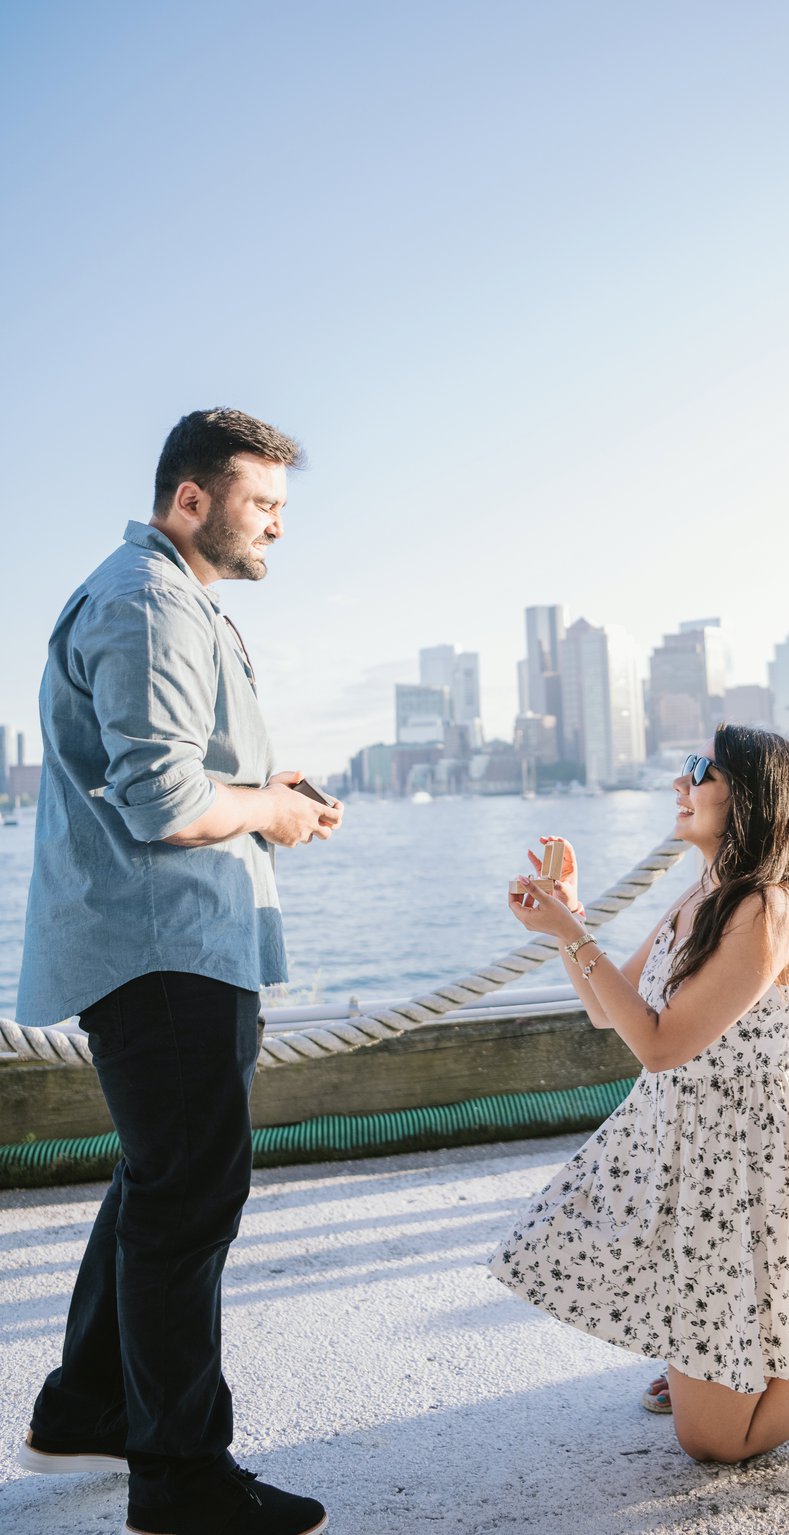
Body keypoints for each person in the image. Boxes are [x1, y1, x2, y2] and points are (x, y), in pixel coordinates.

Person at [16, 409, 340, 1534]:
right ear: (191, 499)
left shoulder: (167, 598)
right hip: (164, 949)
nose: (277, 527)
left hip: (173, 944)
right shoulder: (150, 601)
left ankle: (89, 1406)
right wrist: (273, 813)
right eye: (263, 504)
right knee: (189, 1199)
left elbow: (176, 773)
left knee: (161, 1180)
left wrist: (265, 789)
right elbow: (161, 801)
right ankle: (180, 1476)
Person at [491, 725, 789, 1464]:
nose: (678, 783)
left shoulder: (769, 909)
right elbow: (606, 1009)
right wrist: (568, 923)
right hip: (686, 1142)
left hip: (746, 1156)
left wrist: (570, 932)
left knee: (715, 1443)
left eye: (699, 771)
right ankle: (709, 1363)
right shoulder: (702, 893)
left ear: (750, 795)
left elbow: (661, 1044)